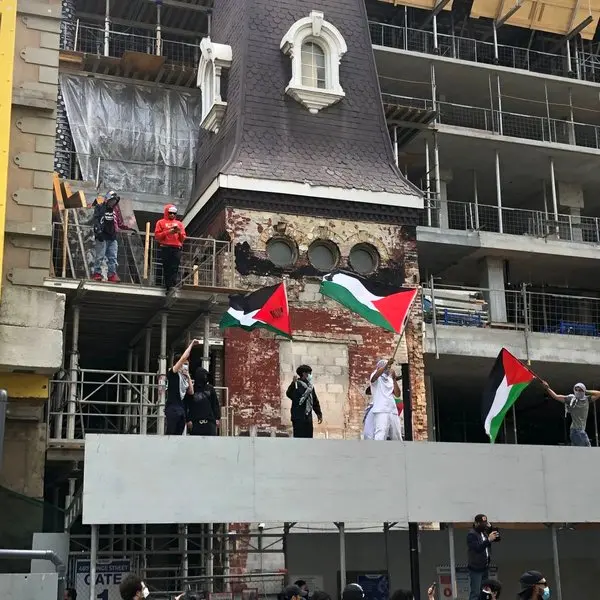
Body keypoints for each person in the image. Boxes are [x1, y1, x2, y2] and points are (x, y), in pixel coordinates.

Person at [541, 380, 600, 447]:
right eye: (576, 390)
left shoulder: (587, 399)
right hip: (576, 430)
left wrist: (586, 391)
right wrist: (547, 388)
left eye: (580, 390)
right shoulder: (571, 399)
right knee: (587, 448)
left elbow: (598, 393)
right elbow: (556, 396)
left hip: (578, 430)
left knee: (579, 450)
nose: (578, 391)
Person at [165, 339, 198, 435]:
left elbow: (191, 392)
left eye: (187, 365)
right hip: (172, 408)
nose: (185, 366)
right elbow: (184, 357)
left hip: (181, 409)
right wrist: (191, 345)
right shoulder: (173, 373)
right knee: (171, 433)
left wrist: (188, 376)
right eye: (184, 364)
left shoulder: (185, 378)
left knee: (179, 433)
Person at [467, 514, 500, 600]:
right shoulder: (471, 535)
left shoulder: (484, 533)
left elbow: (497, 539)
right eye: (482, 524)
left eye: (485, 523)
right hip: (476, 568)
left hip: (485, 567)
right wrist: (488, 540)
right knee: (475, 592)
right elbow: (478, 548)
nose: (484, 525)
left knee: (484, 591)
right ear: (476, 523)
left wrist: (492, 529)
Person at [154, 204, 186, 290]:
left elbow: (183, 238)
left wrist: (178, 232)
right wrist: (168, 232)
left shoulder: (179, 224)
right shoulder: (160, 222)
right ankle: (167, 285)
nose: (172, 215)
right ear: (166, 212)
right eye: (170, 213)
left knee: (175, 267)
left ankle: (172, 285)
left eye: (174, 213)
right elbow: (157, 236)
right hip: (165, 247)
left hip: (176, 248)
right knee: (166, 267)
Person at [286, 364, 323, 438]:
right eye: (309, 373)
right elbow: (289, 394)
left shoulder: (310, 386)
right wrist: (293, 383)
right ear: (304, 373)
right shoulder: (296, 384)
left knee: (308, 437)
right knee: (299, 437)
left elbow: (314, 401)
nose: (310, 375)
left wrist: (319, 413)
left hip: (308, 417)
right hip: (298, 416)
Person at [92, 190, 121, 282]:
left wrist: (127, 228)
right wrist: (98, 232)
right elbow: (96, 220)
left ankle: (112, 274)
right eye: (112, 200)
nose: (113, 202)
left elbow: (118, 222)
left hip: (112, 236)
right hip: (102, 236)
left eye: (114, 201)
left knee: (113, 256)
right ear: (107, 199)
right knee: (100, 256)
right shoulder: (100, 207)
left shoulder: (115, 210)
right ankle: (97, 273)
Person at [370, 358, 402, 441]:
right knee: (381, 433)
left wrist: (394, 378)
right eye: (386, 367)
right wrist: (387, 365)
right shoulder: (375, 376)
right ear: (379, 367)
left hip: (392, 410)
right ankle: (378, 449)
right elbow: (374, 377)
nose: (388, 368)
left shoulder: (390, 379)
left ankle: (399, 449)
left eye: (389, 367)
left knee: (397, 434)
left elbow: (398, 394)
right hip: (381, 410)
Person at [185, 367, 221, 436]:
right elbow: (187, 405)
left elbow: (215, 404)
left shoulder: (210, 388)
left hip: (210, 422)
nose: (205, 377)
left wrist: (217, 418)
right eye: (204, 375)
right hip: (195, 423)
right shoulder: (192, 389)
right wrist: (188, 419)